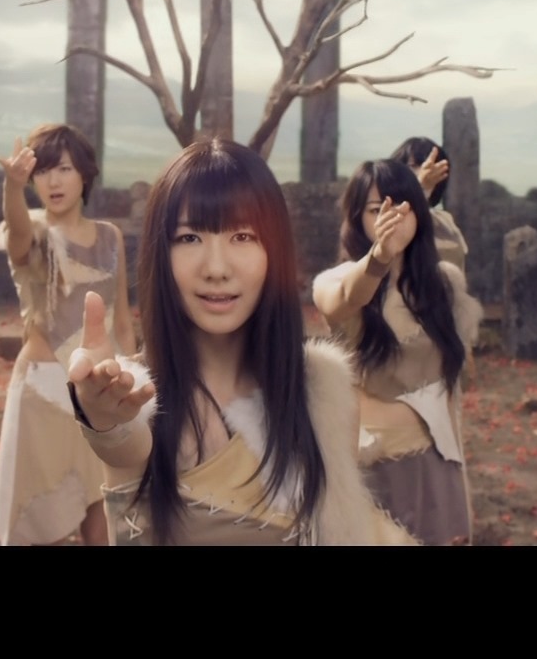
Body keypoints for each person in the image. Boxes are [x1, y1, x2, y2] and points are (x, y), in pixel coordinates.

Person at [66, 137, 413, 545]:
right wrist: (104, 419)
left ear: (274, 252)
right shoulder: (137, 399)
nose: (216, 268)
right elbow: (124, 443)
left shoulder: (322, 395)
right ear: (161, 254)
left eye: (243, 236)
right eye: (189, 238)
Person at [313, 159, 482, 544]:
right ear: (356, 217)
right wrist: (379, 257)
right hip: (373, 467)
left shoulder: (442, 285)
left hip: (434, 458)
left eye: (402, 209)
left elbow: (450, 392)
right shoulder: (336, 280)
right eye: (376, 210)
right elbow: (346, 297)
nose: (390, 219)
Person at [0, 123, 131, 545]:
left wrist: (130, 387)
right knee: (41, 524)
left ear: (84, 174)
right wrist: (12, 187)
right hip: (42, 393)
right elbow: (17, 233)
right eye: (43, 171)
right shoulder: (33, 232)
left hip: (99, 393)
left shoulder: (110, 236)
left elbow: (122, 321)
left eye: (64, 169)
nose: (53, 181)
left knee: (104, 522)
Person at [390, 137, 467, 274]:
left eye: (433, 166)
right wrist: (420, 189)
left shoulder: (445, 222)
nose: (425, 171)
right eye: (414, 166)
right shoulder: (382, 215)